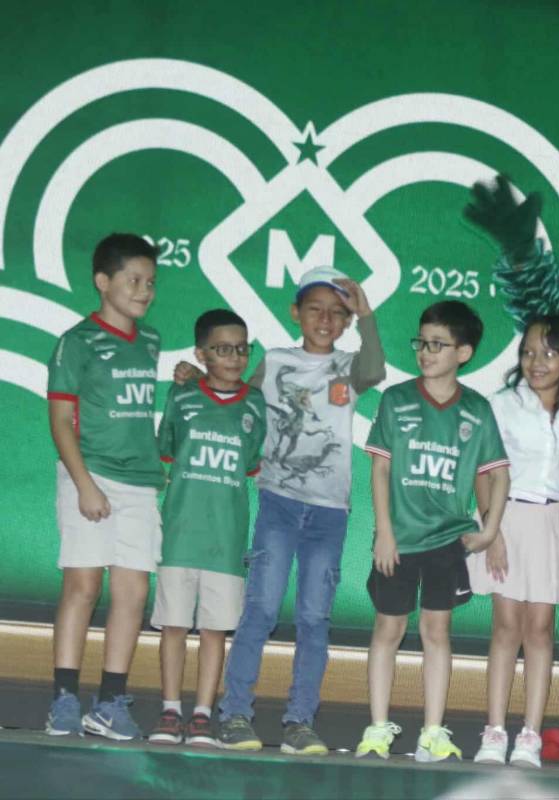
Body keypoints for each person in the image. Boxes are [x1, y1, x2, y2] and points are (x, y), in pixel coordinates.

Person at [176, 266, 385, 755]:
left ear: (348, 320)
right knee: (260, 610)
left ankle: (299, 722)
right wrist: (196, 376)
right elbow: (239, 400)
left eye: (337, 312)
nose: (325, 319)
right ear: (296, 313)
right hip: (278, 504)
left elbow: (375, 367)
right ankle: (234, 715)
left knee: (315, 617)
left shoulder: (349, 368)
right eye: (315, 309)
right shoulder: (273, 360)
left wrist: (368, 314)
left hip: (330, 513)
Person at [356, 301, 510, 762]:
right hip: (398, 539)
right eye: (422, 342)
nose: (426, 352)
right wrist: (384, 532)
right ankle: (378, 728)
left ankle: (433, 733)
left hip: (448, 540)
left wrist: (490, 530)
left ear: (463, 353)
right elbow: (380, 471)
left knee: (436, 631)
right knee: (388, 627)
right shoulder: (396, 399)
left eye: (438, 345)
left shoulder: (477, 410)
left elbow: (498, 474)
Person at [46, 233, 163, 741]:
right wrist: (85, 485)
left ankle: (111, 702)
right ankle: (64, 698)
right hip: (89, 474)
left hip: (140, 482)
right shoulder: (75, 341)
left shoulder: (152, 342)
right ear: (103, 282)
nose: (144, 290)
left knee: (134, 591)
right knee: (83, 586)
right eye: (133, 280)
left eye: (151, 282)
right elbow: (60, 420)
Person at [147, 310, 266, 747]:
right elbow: (165, 452)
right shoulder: (181, 397)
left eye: (241, 348)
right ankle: (169, 710)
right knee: (175, 627)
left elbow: (251, 465)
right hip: (180, 535)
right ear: (201, 353)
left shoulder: (255, 405)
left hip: (226, 539)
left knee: (215, 630)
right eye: (222, 349)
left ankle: (201, 716)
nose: (233, 357)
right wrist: (191, 380)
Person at [467, 316, 559, 768]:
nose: (537, 362)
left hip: (555, 521)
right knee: (506, 626)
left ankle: (530, 735)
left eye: (549, 354)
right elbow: (482, 469)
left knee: (540, 629)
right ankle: (494, 732)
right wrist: (491, 531)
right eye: (529, 352)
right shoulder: (501, 405)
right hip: (508, 515)